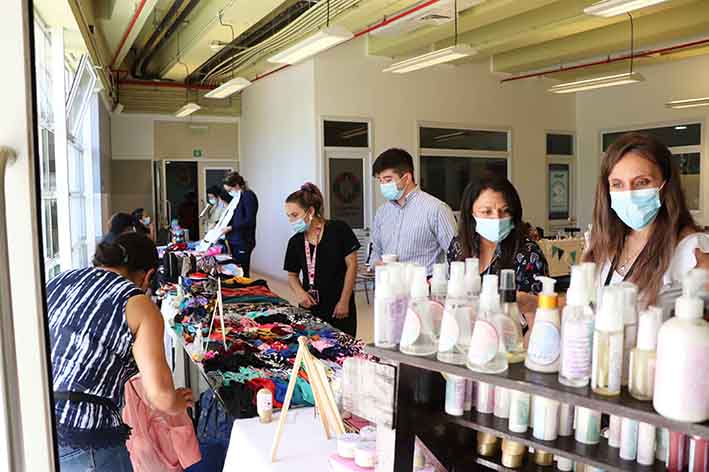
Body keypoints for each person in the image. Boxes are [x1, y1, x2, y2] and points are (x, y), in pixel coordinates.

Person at [48, 232, 192, 471]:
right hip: (85, 432)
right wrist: (177, 402)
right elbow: (161, 397)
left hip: (35, 421)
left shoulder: (61, 279)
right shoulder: (137, 303)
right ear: (148, 275)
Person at [584, 132, 709, 314]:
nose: (629, 194)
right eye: (617, 184)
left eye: (642, 182)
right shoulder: (601, 242)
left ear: (665, 186)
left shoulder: (691, 248)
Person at [448, 176, 549, 296]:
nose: (497, 218)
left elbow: (540, 303)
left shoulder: (528, 253)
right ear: (471, 213)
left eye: (505, 211)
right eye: (486, 212)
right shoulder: (458, 246)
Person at [284, 183, 360, 336]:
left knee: (344, 346)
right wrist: (300, 293)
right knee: (312, 347)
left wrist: (344, 300)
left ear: (311, 211)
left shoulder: (339, 229)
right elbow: (292, 275)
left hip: (339, 306)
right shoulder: (295, 242)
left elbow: (352, 265)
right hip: (310, 307)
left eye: (295, 215)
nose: (291, 220)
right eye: (288, 216)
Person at [371, 148, 456, 275]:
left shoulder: (436, 209)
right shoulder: (382, 212)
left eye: (388, 180)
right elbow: (375, 250)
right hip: (388, 283)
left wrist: (438, 282)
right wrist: (375, 263)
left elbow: (456, 256)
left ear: (406, 178)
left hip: (425, 284)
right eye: (380, 180)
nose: (383, 185)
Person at [222, 171, 259, 277]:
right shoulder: (237, 197)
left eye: (229, 190)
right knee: (236, 271)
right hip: (234, 239)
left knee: (242, 272)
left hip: (243, 240)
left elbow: (249, 220)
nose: (229, 193)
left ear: (237, 185)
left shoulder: (248, 196)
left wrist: (231, 227)